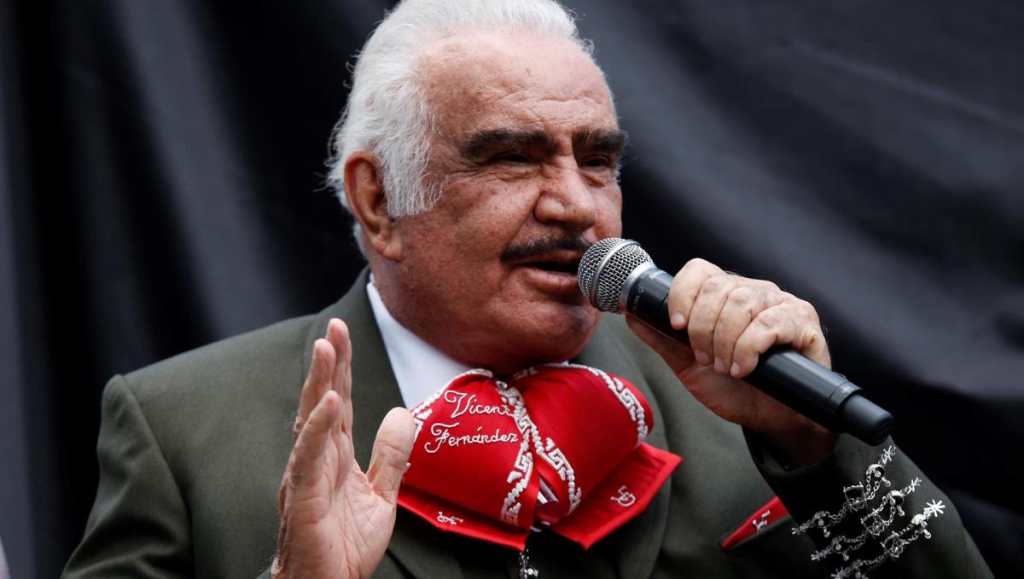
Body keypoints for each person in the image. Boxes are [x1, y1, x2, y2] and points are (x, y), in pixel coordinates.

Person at [64, 1, 992, 578]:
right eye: (512, 158)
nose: (577, 205)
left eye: (599, 160)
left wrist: (816, 450)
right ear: (379, 201)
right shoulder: (182, 429)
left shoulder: (748, 401)